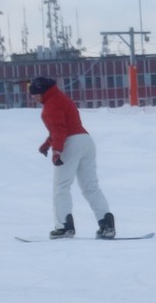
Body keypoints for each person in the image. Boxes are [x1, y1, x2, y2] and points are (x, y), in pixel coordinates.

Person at [29, 77, 115, 239]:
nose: (33, 98)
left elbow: (59, 130)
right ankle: (106, 224)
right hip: (86, 141)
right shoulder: (62, 99)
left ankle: (64, 226)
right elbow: (64, 126)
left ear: (42, 92)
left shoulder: (51, 105)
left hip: (70, 144)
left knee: (61, 186)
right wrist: (47, 144)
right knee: (91, 187)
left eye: (34, 95)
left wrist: (56, 151)